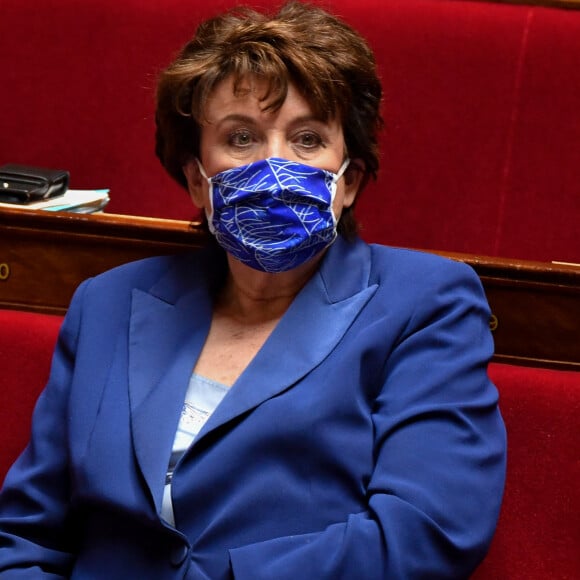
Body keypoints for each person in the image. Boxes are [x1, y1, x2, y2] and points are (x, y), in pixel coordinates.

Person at [0, 2, 506, 578]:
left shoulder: (426, 304)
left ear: (350, 182)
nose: (274, 166)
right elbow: (25, 538)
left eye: (308, 139)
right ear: (197, 178)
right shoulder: (107, 303)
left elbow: (424, 530)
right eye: (240, 138)